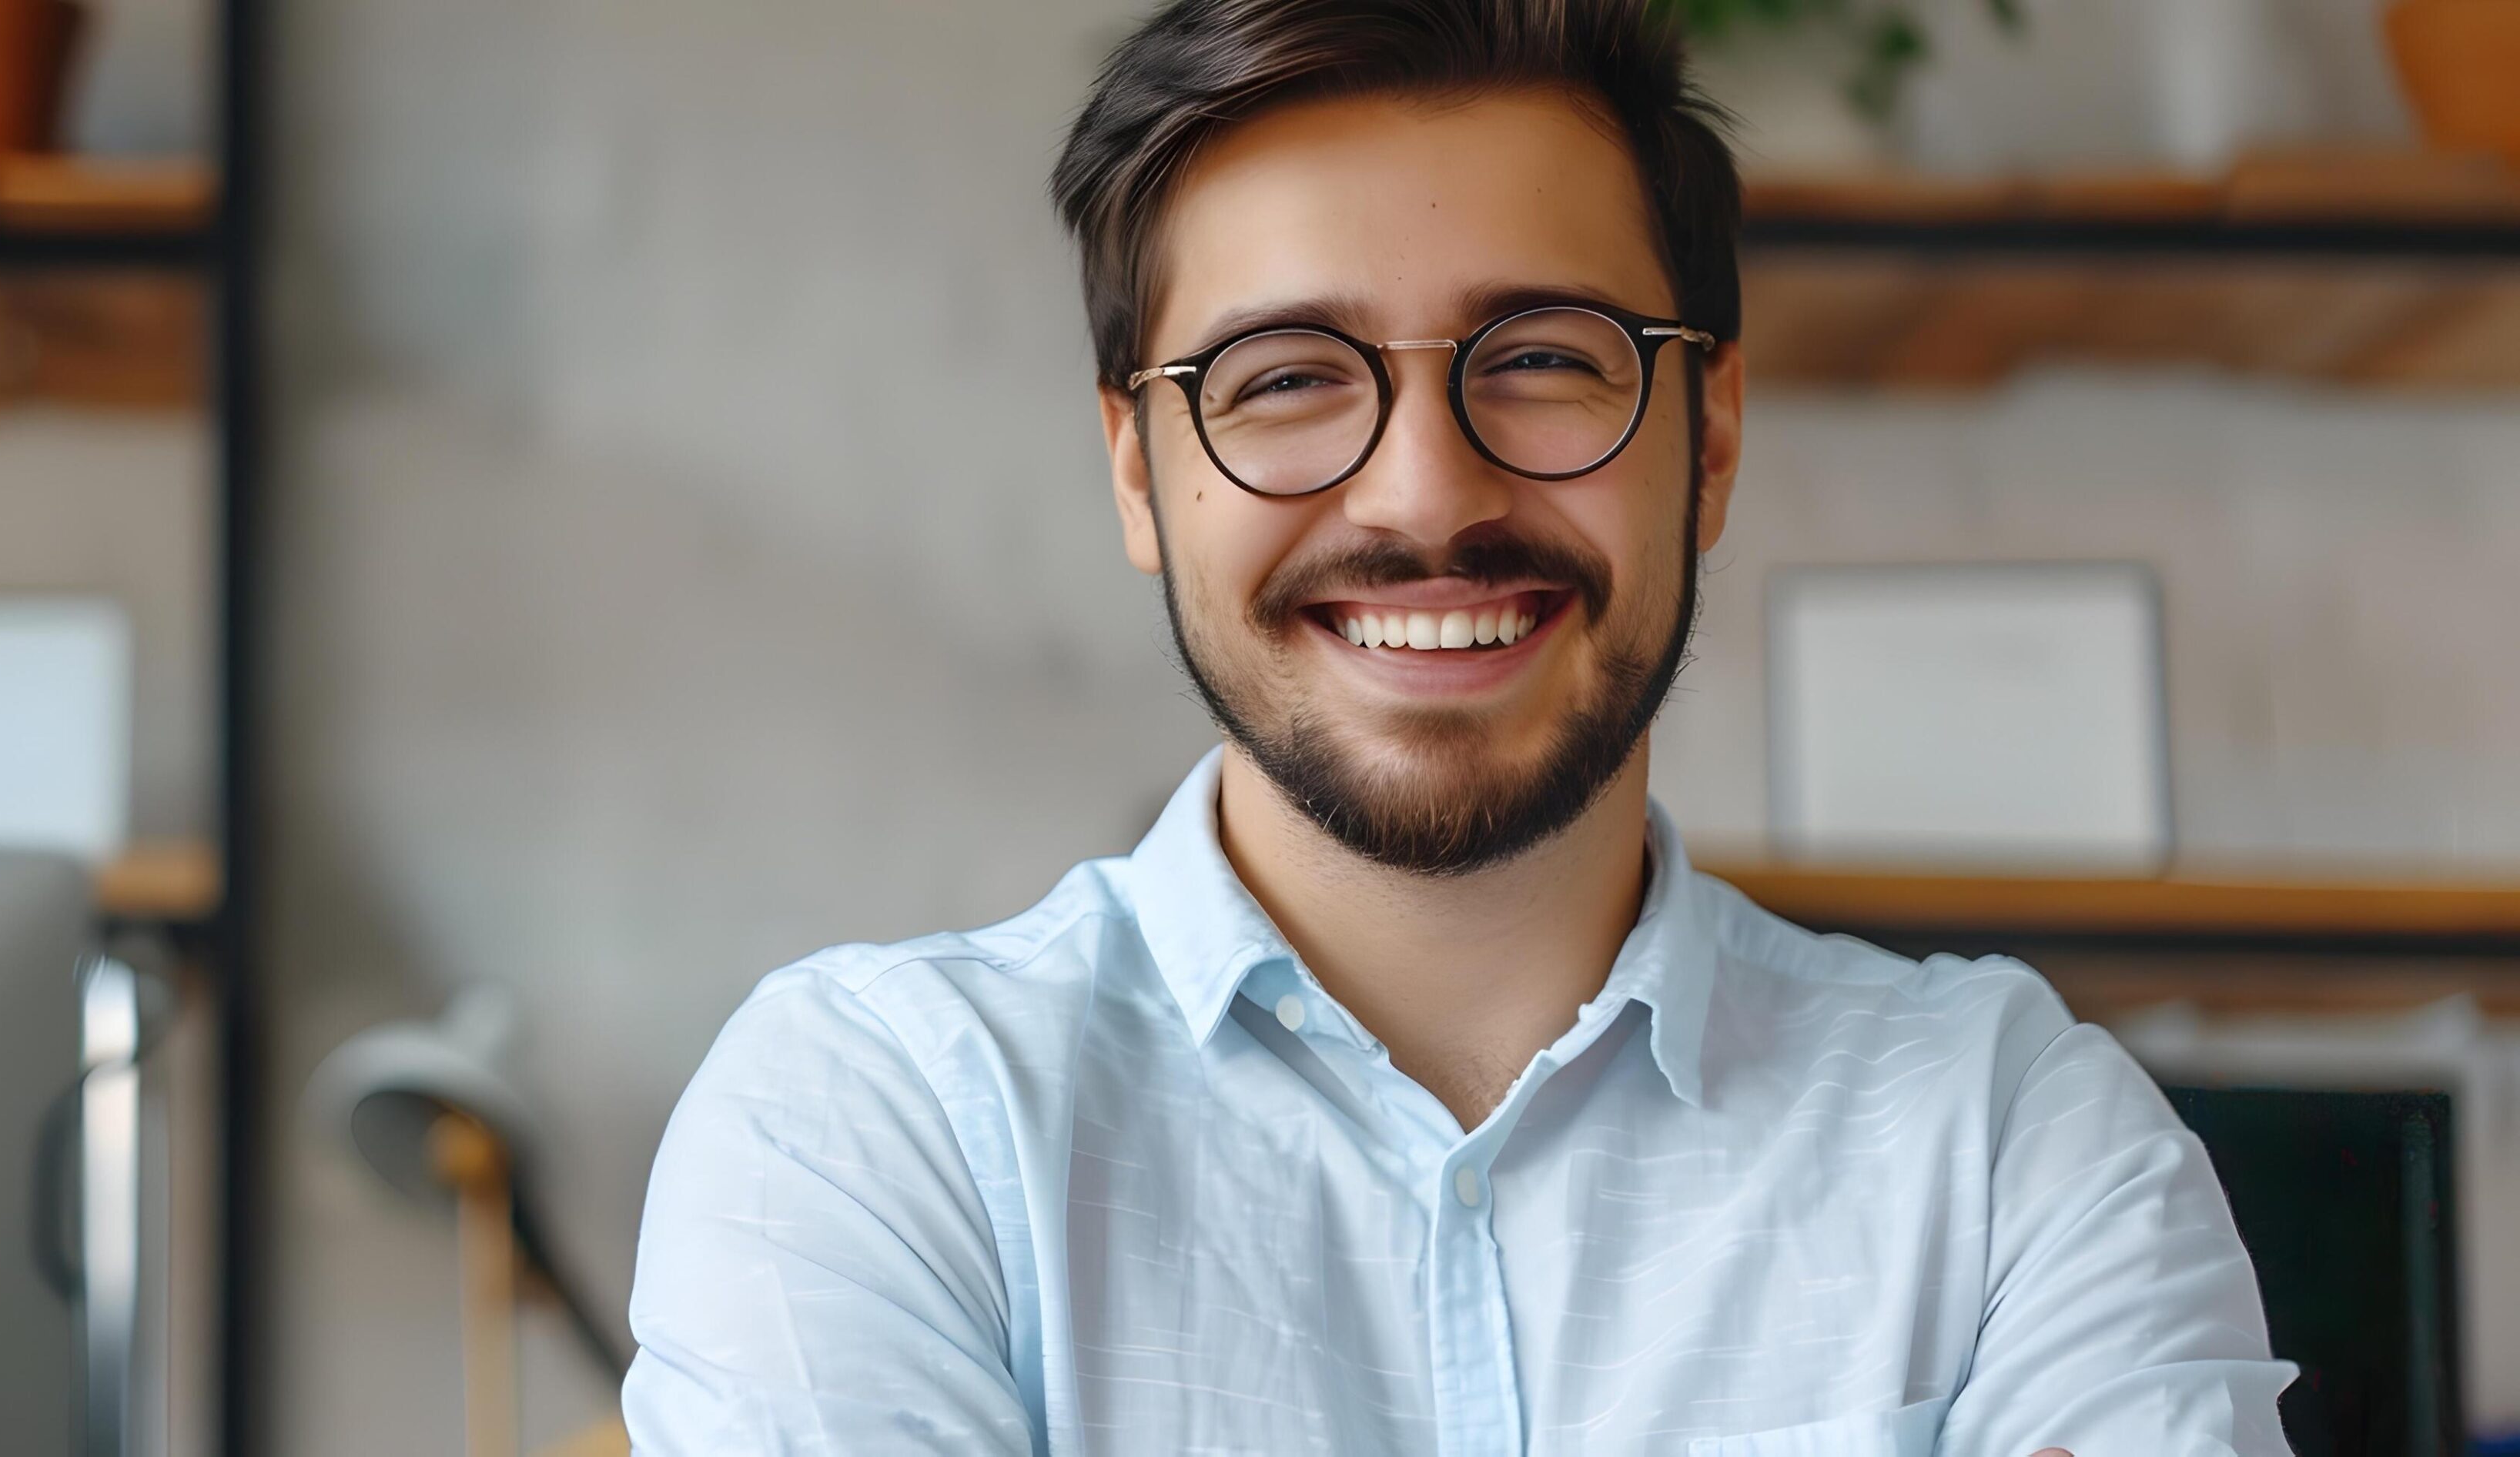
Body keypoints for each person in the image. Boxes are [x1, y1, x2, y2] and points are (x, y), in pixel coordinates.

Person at [617, 2, 2292, 1452]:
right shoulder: (876, 1128)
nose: (1425, 490)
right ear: (1138, 469)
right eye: (1285, 377)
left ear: (1706, 434)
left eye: (1544, 359)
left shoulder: (2012, 1143)